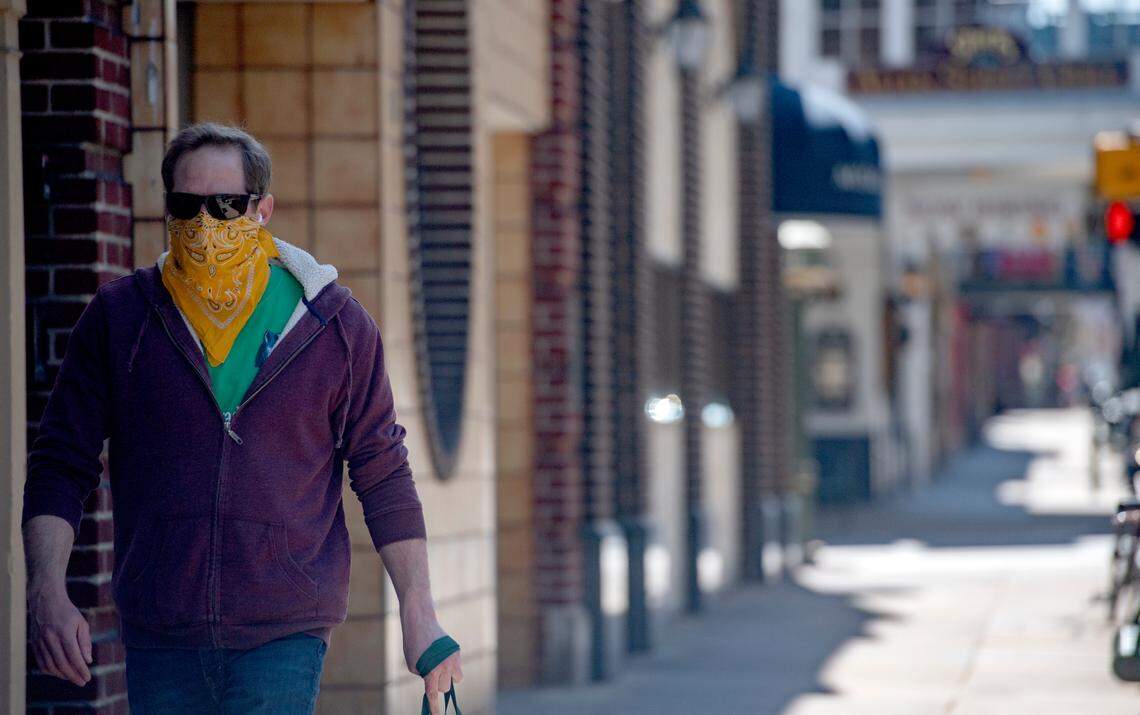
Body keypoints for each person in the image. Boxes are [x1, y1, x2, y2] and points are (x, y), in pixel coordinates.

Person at [21, 123, 463, 714]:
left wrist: (418, 610)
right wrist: (46, 589)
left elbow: (383, 472)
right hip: (160, 629)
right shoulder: (121, 318)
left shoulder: (333, 325)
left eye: (225, 205)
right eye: (187, 206)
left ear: (262, 210)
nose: (205, 225)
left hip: (284, 629)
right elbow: (60, 460)